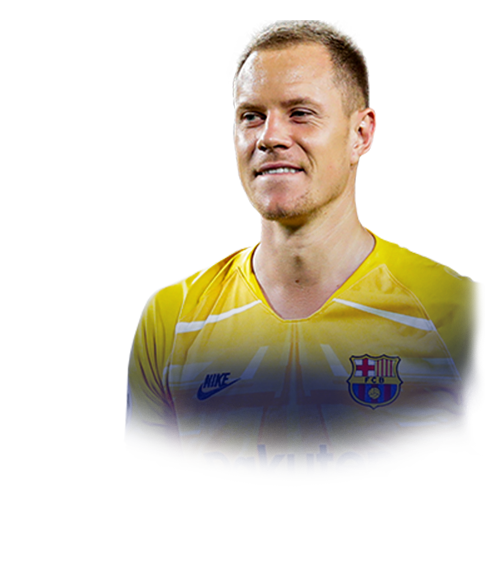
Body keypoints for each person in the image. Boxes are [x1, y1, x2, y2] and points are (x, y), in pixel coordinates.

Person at [124, 20, 485, 487]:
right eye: (251, 116)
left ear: (361, 134)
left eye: (300, 113)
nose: (269, 136)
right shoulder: (173, 320)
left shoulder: (462, 317)